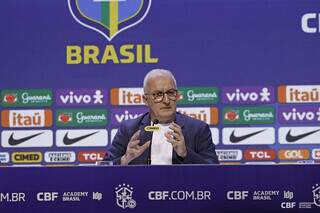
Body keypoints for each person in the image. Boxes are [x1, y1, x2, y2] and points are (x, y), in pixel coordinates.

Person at [105, 69, 219, 165]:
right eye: (158, 94)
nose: (166, 100)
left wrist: (186, 154)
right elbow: (104, 168)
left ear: (177, 95)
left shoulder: (198, 129)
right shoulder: (129, 129)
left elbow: (215, 172)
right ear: (145, 100)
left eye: (171, 93)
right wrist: (125, 160)